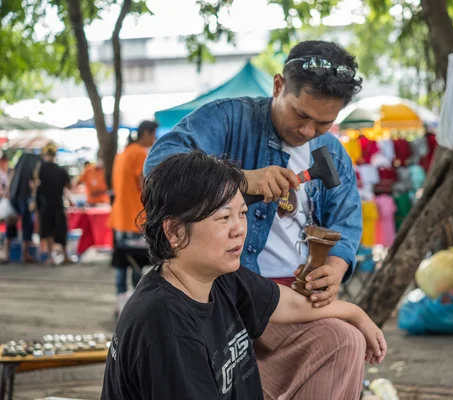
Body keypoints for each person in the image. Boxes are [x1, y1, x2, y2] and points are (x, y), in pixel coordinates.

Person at [144, 41, 366, 398]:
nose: (308, 131)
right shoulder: (229, 119)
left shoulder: (333, 154)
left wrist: (337, 265)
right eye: (301, 115)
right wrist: (241, 180)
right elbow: (161, 166)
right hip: (231, 292)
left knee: (344, 342)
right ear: (278, 86)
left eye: (324, 123)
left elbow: (347, 220)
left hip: (295, 299)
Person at [101, 151, 386, 400]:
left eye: (242, 213)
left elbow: (288, 304)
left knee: (341, 338)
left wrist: (355, 313)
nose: (239, 228)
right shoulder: (166, 325)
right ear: (174, 232)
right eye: (223, 218)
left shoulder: (219, 276)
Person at [109, 120, 157, 314]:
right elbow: (144, 184)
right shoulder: (138, 153)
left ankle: (120, 299)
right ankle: (135, 303)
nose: (154, 139)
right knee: (138, 261)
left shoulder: (123, 153)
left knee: (122, 261)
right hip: (134, 217)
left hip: (119, 215)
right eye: (153, 134)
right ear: (145, 133)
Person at [36, 142, 71, 264]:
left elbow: (36, 186)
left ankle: (52, 258)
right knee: (61, 229)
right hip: (58, 202)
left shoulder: (41, 169)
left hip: (46, 203)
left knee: (48, 230)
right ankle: (65, 256)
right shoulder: (60, 170)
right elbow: (68, 186)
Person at [4, 151, 42, 263]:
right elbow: (35, 180)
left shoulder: (22, 157)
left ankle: (7, 254)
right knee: (27, 224)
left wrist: (8, 191)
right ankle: (25, 254)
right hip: (24, 197)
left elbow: (12, 174)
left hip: (14, 194)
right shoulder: (37, 160)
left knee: (11, 223)